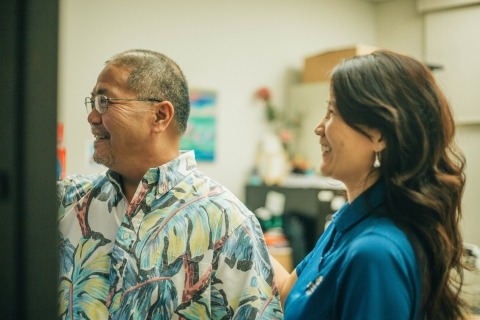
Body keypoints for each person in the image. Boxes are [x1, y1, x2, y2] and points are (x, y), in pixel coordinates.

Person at [57, 49, 283, 319]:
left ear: (161, 116)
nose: (92, 117)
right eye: (93, 102)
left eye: (105, 101)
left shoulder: (226, 221)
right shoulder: (68, 201)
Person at [280, 50, 468, 319]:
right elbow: (290, 293)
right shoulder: (347, 223)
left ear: (379, 135)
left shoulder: (375, 253)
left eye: (332, 112)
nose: (319, 128)